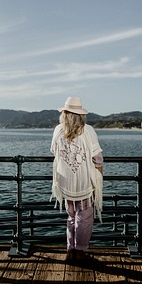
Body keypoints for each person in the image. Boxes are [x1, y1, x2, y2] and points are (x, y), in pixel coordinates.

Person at [50, 96, 103, 262]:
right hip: (84, 183)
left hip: (65, 182)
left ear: (64, 114)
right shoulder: (88, 131)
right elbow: (98, 158)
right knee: (85, 218)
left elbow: (54, 151)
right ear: (81, 115)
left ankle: (70, 251)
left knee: (71, 217)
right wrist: (99, 179)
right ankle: (79, 252)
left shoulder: (58, 130)